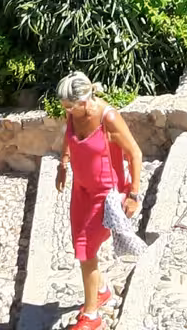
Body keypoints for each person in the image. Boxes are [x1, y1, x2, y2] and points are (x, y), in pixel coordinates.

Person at [56, 71, 145, 330]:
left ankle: (91, 315)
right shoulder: (74, 113)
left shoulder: (109, 118)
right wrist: (64, 162)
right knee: (81, 245)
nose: (67, 111)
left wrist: (134, 194)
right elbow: (68, 135)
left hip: (105, 195)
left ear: (85, 101)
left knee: (86, 249)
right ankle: (102, 289)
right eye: (65, 107)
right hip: (80, 191)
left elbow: (135, 153)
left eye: (70, 106)